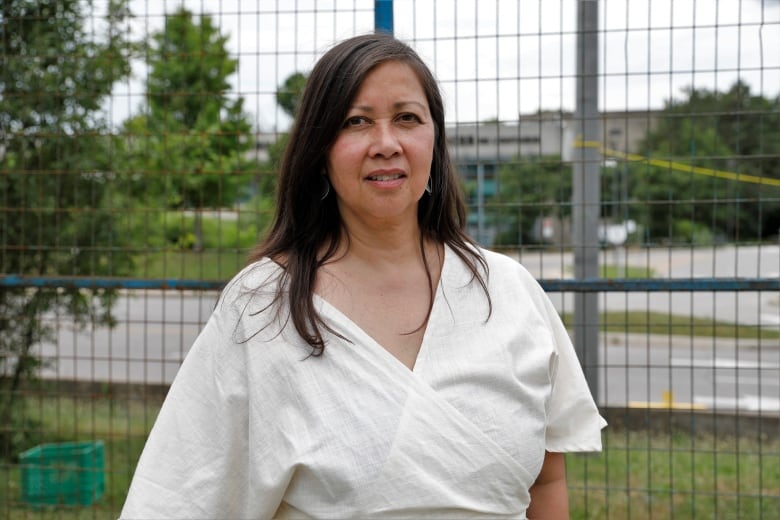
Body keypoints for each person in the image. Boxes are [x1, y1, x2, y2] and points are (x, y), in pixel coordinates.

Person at [120, 32, 606, 519]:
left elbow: (546, 479)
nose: (386, 143)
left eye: (407, 118)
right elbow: (177, 497)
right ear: (320, 149)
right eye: (356, 122)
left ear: (434, 140)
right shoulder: (263, 306)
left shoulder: (508, 291)